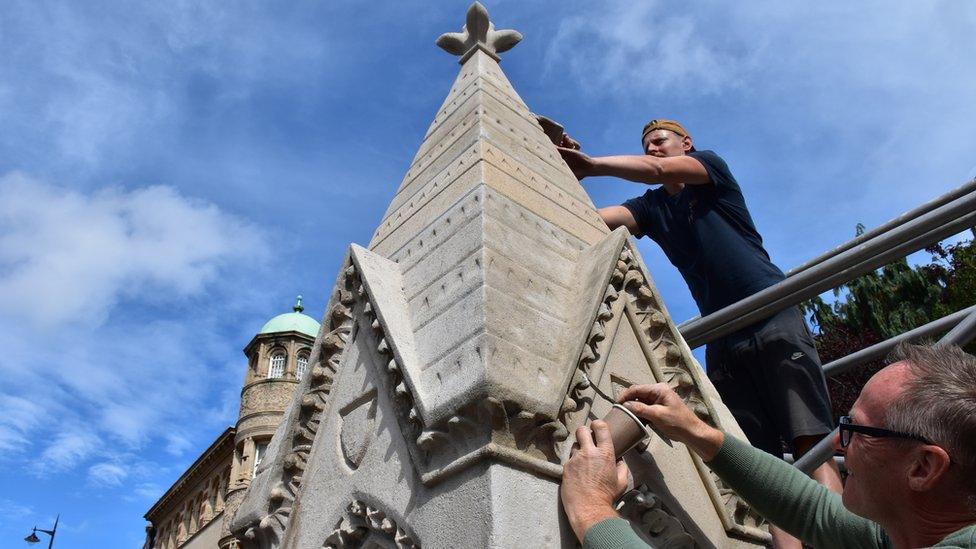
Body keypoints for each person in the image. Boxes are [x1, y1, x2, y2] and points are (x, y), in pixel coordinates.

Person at [558, 121, 842, 546]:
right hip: (724, 335)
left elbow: (658, 171)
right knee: (759, 459)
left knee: (809, 438)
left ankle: (842, 540)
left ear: (685, 144)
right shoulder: (651, 208)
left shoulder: (710, 170)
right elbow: (592, 220)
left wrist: (593, 164)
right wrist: (557, 169)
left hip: (770, 313)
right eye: (646, 144)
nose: (653, 148)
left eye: (660, 141)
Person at [560, 342, 976, 548]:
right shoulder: (920, 526)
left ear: (923, 468)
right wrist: (697, 432)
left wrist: (593, 511)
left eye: (857, 430)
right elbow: (814, 511)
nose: (836, 441)